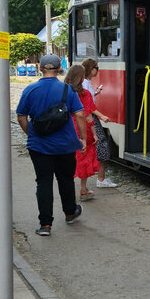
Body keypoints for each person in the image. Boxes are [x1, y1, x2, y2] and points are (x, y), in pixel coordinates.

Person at [16, 54, 86, 236]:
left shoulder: (30, 90)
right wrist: (83, 138)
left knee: (43, 183)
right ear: (58, 69)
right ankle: (70, 213)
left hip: (39, 146)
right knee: (66, 179)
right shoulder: (67, 90)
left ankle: (45, 225)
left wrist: (31, 134)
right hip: (66, 145)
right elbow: (80, 115)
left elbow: (21, 116)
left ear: (40, 68)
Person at [64, 63, 100, 200]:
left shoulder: (63, 91)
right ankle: (83, 189)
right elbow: (88, 115)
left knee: (68, 159)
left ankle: (67, 189)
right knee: (84, 158)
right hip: (82, 129)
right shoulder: (84, 94)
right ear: (82, 77)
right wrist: (94, 133)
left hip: (66, 128)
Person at [82, 57, 117, 188]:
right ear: (90, 69)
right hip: (90, 118)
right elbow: (88, 106)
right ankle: (101, 179)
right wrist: (102, 116)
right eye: (96, 68)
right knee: (102, 146)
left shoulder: (87, 83)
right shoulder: (85, 83)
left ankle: (96, 179)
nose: (98, 70)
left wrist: (95, 93)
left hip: (90, 118)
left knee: (94, 147)